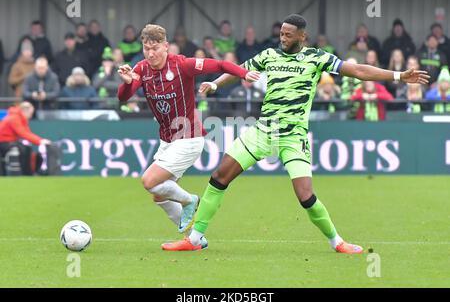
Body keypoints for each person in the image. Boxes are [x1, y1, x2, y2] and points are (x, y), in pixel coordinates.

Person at [162, 14, 429, 253]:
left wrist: (397, 76)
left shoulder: (317, 58)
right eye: (281, 34)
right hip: (263, 131)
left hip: (293, 137)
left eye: (288, 35)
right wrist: (214, 83)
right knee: (219, 177)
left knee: (306, 197)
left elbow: (358, 70)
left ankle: (337, 242)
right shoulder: (269, 56)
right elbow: (240, 71)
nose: (283, 38)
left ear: (303, 36)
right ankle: (195, 238)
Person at [117, 24, 259, 239]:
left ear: (166, 46)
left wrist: (244, 73)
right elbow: (123, 97)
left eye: (155, 48)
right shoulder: (141, 69)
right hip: (167, 140)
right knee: (158, 194)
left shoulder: (183, 64)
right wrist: (127, 83)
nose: (151, 53)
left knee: (149, 181)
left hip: (189, 137)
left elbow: (219, 64)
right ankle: (195, 239)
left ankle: (189, 201)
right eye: (146, 48)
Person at [0, 102, 51, 175]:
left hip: (8, 141)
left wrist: (39, 140)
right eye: (30, 113)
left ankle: (28, 173)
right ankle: (26, 173)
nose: (30, 116)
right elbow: (23, 133)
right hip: (3, 143)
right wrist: (40, 141)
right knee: (24, 149)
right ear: (25, 111)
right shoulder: (15, 118)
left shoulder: (19, 118)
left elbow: (27, 133)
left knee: (27, 148)